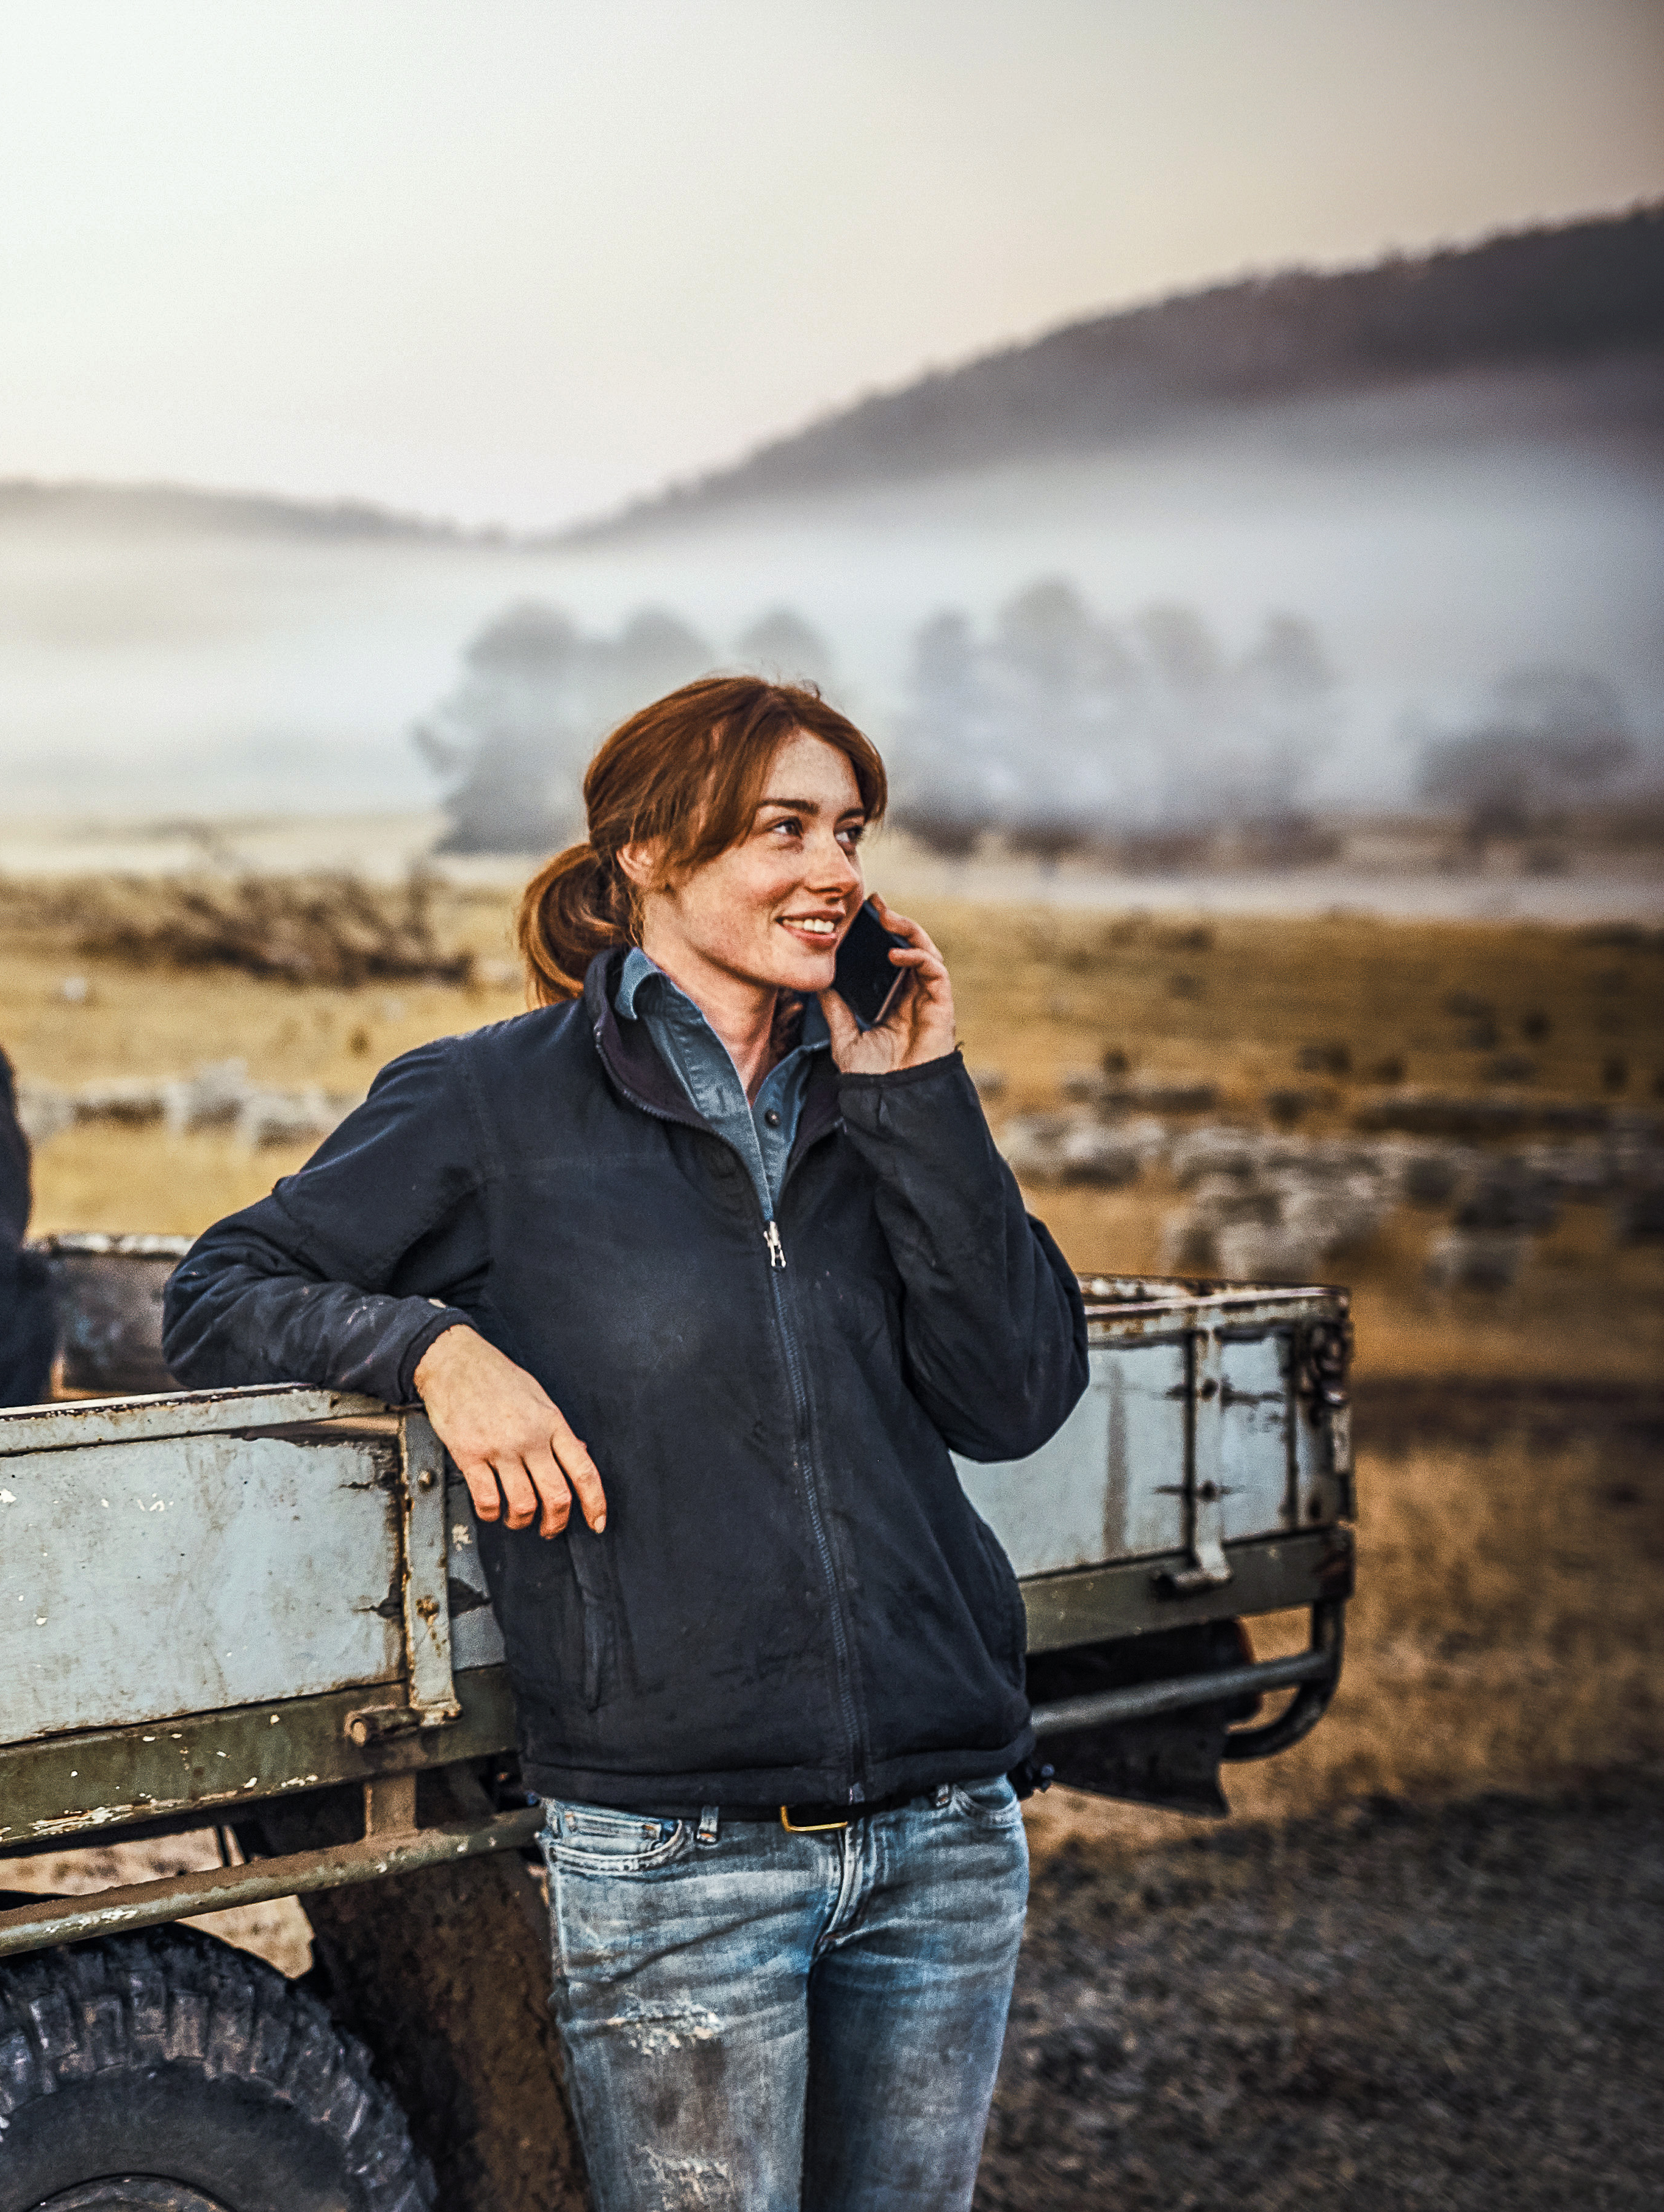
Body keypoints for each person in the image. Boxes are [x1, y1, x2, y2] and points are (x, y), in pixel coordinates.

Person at [162, 675, 1090, 2212]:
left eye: (849, 829)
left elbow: (1015, 1398)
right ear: (649, 851)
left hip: (944, 1831)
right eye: (782, 827)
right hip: (677, 1854)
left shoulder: (883, 1101)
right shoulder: (488, 1100)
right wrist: (434, 1349)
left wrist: (919, 1096)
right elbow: (218, 1293)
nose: (835, 868)